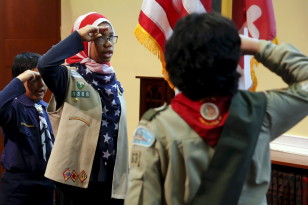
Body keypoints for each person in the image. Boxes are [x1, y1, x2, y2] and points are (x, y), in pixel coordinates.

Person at [124, 12, 308, 205]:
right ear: (233, 61)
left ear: (174, 63)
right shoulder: (260, 111)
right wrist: (258, 46)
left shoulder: (157, 127)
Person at [37, 12, 128, 205]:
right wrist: (78, 37)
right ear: (87, 42)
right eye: (100, 37)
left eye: (111, 37)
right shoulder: (68, 77)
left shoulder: (114, 83)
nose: (108, 43)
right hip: (75, 182)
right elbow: (45, 65)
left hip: (110, 179)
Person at [0, 52, 55, 205]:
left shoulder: (49, 109)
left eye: (44, 78)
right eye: (35, 79)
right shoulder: (14, 106)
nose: (42, 85)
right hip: (18, 187)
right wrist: (19, 80)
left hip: (46, 185)